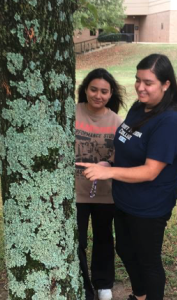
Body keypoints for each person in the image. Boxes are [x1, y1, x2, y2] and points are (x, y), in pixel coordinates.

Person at [77, 54, 177, 300]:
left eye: (148, 82)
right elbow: (126, 144)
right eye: (138, 80)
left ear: (166, 84)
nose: (140, 87)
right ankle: (140, 296)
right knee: (126, 250)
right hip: (125, 198)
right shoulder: (140, 107)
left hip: (150, 205)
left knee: (148, 261)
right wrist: (109, 161)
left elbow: (151, 170)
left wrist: (108, 171)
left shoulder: (171, 121)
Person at [75, 68, 125, 300]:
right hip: (75, 193)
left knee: (104, 238)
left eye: (104, 91)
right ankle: (85, 287)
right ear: (85, 89)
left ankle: (103, 283)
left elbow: (123, 154)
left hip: (106, 193)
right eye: (93, 89)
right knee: (78, 240)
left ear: (111, 93)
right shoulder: (71, 113)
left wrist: (109, 163)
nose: (98, 95)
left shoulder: (117, 121)